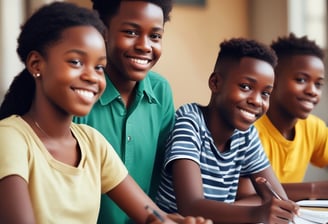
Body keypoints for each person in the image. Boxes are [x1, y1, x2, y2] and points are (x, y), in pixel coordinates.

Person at [0, 2, 212, 224]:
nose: (92, 77)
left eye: (99, 67)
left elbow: (153, 215)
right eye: (76, 61)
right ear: (36, 64)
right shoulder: (10, 139)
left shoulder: (93, 143)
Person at [155, 38, 300, 223]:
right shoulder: (190, 122)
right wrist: (258, 213)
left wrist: (278, 206)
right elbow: (190, 206)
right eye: (246, 87)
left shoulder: (246, 134)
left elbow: (278, 198)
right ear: (215, 83)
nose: (257, 101)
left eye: (265, 93)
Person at [73, 0, 175, 223]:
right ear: (103, 31)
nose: (145, 46)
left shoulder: (161, 91)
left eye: (155, 36)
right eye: (130, 32)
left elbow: (164, 174)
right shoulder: (78, 95)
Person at [254, 33, 328, 201]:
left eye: (318, 84)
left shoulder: (313, 127)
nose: (312, 91)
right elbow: (248, 192)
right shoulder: (250, 130)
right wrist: (314, 189)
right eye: (301, 80)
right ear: (272, 78)